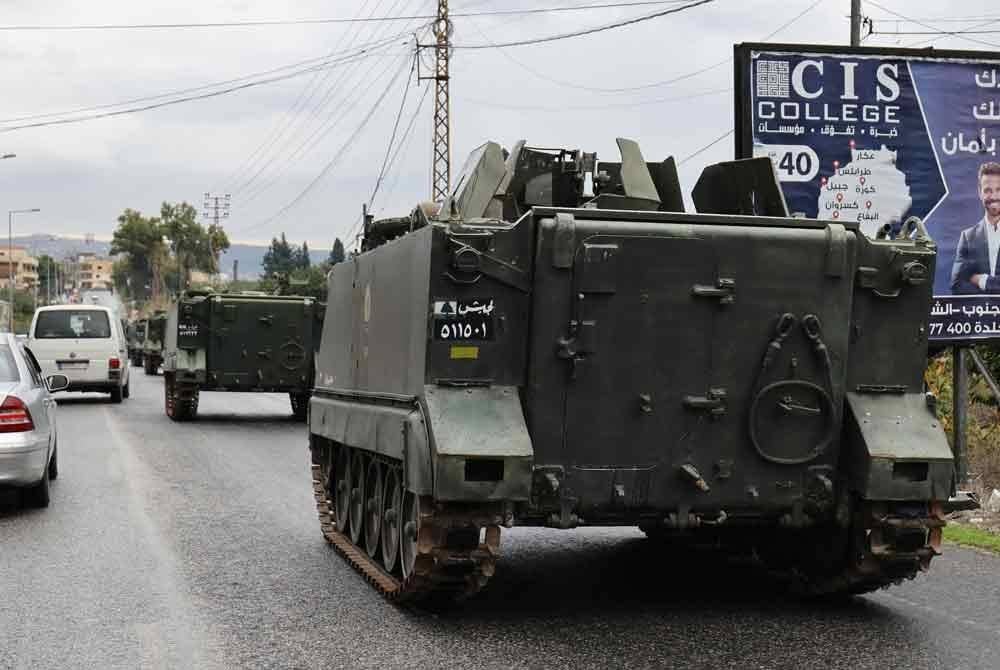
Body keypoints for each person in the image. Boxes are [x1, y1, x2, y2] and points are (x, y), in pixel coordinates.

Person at [951, 162, 1000, 294]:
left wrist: (981, 280)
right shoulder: (968, 237)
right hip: (979, 313)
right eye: (988, 190)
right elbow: (957, 286)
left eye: (999, 190)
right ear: (980, 192)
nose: (994, 196)